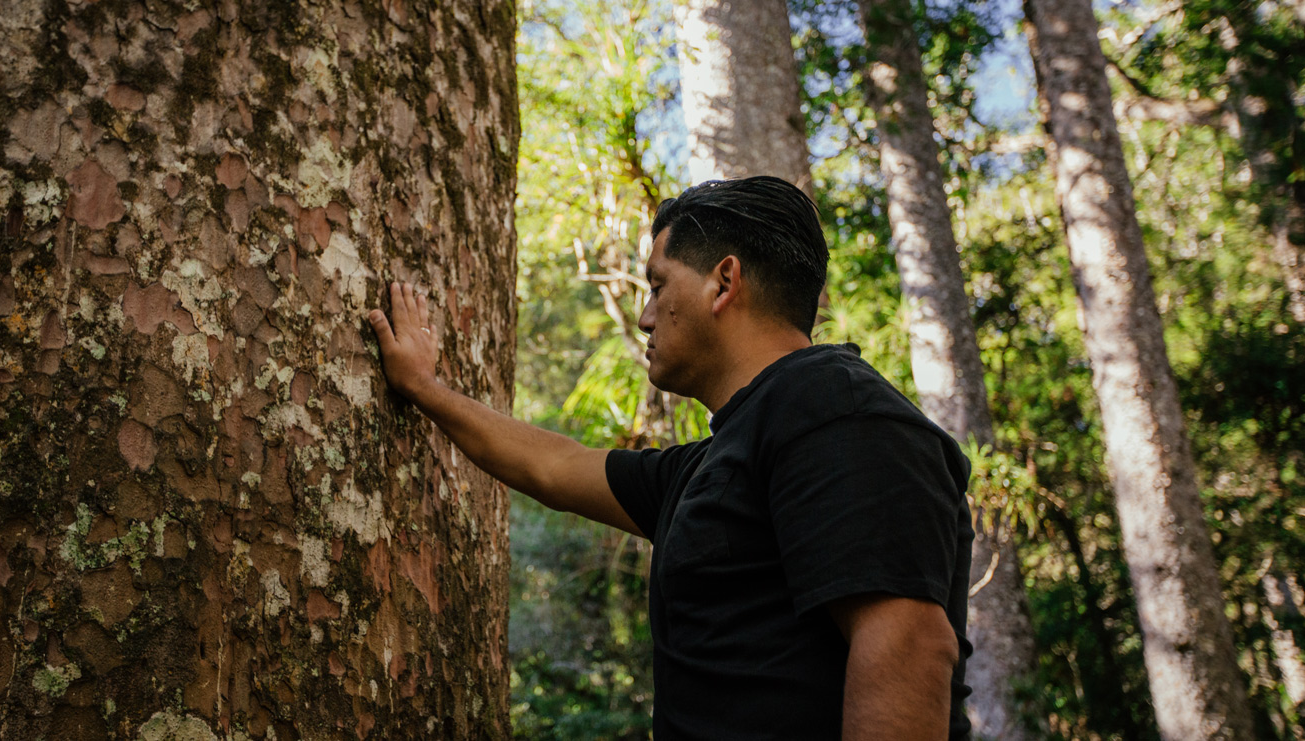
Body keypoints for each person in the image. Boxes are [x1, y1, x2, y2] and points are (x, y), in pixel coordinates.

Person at [365, 176, 973, 740]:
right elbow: (555, 466)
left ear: (724, 282)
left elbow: (910, 644)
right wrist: (424, 388)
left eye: (658, 286)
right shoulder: (716, 462)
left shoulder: (835, 408)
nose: (645, 315)